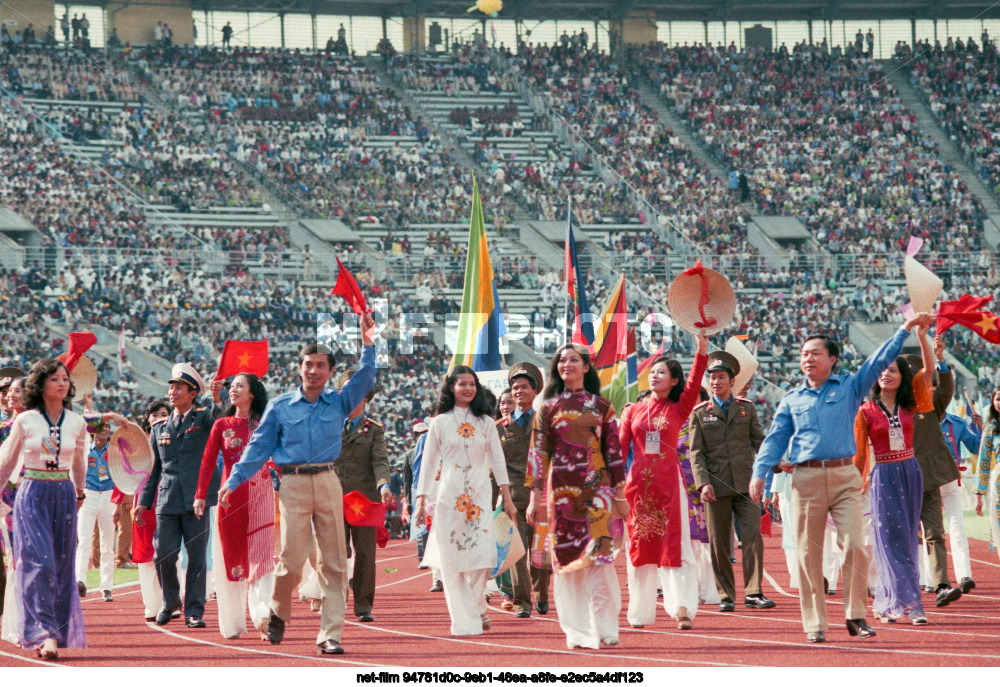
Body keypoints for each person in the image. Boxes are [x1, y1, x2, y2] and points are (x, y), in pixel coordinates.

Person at [750, 312, 931, 644]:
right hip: (806, 480)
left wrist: (904, 330)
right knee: (808, 554)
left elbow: (880, 360)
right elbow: (775, 439)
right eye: (804, 354)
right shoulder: (792, 399)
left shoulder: (850, 387)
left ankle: (856, 615)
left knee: (855, 547)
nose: (808, 359)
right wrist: (760, 472)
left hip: (846, 476)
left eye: (815, 353)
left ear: (832, 359)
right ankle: (815, 624)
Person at [219, 313, 377, 656]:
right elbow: (258, 447)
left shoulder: (339, 400)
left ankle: (330, 634)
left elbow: (366, 377)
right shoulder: (279, 406)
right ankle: (277, 611)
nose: (314, 370)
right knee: (291, 559)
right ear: (299, 368)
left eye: (321, 365)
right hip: (291, 485)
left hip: (327, 480)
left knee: (333, 561)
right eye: (308, 364)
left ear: (330, 371)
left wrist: (368, 344)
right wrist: (234, 479)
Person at [0, 358, 124, 659]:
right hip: (32, 492)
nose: (62, 383)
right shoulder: (25, 420)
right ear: (41, 384)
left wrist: (80, 490)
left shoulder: (76, 422)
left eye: (65, 379)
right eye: (55, 379)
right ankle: (44, 634)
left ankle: (53, 630)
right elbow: (6, 463)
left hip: (64, 494)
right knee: (39, 562)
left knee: (60, 565)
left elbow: (79, 461)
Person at [526, 344, 627, 650]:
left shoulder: (603, 407)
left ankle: (607, 627)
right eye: (562, 360)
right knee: (567, 563)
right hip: (560, 496)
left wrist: (620, 496)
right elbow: (537, 454)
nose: (566, 364)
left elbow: (614, 454)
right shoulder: (546, 408)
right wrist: (534, 498)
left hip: (596, 493)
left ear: (586, 367)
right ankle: (578, 632)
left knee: (599, 560)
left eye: (573, 360)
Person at [414, 366, 517, 636]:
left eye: (472, 384)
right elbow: (428, 464)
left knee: (483, 556)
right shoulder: (439, 422)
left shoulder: (485, 422)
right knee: (452, 559)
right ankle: (466, 617)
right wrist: (421, 499)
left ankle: (476, 603)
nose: (468, 388)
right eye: (462, 384)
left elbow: (497, 459)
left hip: (480, 496)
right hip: (449, 496)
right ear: (451, 387)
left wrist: (506, 496)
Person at [619, 334, 708, 631]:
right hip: (638, 491)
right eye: (652, 372)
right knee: (640, 549)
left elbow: (695, 383)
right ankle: (640, 613)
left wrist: (701, 350)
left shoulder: (679, 408)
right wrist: (614, 486)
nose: (655, 376)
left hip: (670, 488)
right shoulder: (632, 410)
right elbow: (618, 450)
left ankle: (682, 608)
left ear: (673, 381)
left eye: (662, 373)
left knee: (676, 547)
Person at [853, 322, 934, 625]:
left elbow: (927, 374)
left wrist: (923, 339)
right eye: (883, 370)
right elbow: (860, 453)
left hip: (910, 472)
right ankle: (910, 604)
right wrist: (856, 484)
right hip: (882, 475)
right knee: (887, 540)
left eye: (894, 371)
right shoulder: (865, 411)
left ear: (902, 378)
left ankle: (898, 601)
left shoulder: (911, 405)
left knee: (908, 538)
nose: (886, 374)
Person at [136, 363, 221, 629]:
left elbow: (220, 418)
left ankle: (194, 611)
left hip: (197, 499)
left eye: (179, 387)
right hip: (167, 499)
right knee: (164, 554)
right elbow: (154, 470)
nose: (172, 392)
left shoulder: (204, 419)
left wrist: (217, 398)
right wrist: (143, 503)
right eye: (171, 387)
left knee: (196, 558)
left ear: (192, 393)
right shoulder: (160, 427)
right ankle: (170, 601)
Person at [194, 373, 275, 640]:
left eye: (240, 385)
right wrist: (200, 495)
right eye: (232, 386)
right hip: (229, 500)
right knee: (230, 559)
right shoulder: (221, 425)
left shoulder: (266, 423)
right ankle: (232, 623)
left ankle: (263, 617)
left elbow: (280, 456)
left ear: (252, 393)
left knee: (262, 559)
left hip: (262, 496)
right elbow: (206, 463)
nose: (233, 390)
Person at [689, 350, 771, 613]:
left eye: (721, 377)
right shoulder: (700, 414)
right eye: (712, 378)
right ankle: (726, 594)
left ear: (732, 381)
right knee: (719, 544)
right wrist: (703, 483)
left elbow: (760, 441)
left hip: (746, 486)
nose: (716, 382)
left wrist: (776, 462)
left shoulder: (747, 409)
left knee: (752, 538)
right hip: (716, 488)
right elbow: (696, 453)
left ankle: (753, 592)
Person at [901, 338, 964, 608]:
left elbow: (946, 389)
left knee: (935, 533)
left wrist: (939, 360)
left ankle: (941, 585)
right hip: (898, 480)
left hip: (927, 480)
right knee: (903, 535)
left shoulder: (930, 405)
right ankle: (902, 585)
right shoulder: (890, 407)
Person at [332, 369, 391, 624]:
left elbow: (380, 461)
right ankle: (336, 599)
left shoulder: (374, 430)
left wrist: (384, 486)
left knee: (365, 553)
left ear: (365, 398)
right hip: (333, 497)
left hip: (364, 501)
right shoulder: (330, 424)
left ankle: (364, 605)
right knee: (335, 552)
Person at [492, 363, 543, 619]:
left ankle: (541, 591)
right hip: (513, 498)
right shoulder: (500, 427)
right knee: (519, 551)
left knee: (541, 552)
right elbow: (493, 466)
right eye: (515, 388)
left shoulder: (545, 421)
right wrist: (491, 502)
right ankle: (523, 602)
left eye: (524, 387)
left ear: (535, 391)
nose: (519, 391)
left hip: (542, 496)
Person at [133, 400, 171, 622]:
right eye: (154, 414)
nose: (158, 417)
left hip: (168, 501)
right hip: (144, 504)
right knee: (146, 554)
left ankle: (170, 601)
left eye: (164, 414)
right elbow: (126, 475)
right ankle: (152, 605)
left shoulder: (175, 442)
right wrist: (125, 503)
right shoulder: (138, 445)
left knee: (168, 552)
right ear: (147, 419)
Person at [940, 407, 982, 592]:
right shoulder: (920, 419)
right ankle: (931, 578)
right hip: (926, 481)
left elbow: (976, 448)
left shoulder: (957, 423)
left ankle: (964, 575)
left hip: (951, 479)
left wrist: (981, 430)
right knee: (928, 531)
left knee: (957, 525)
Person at [75, 420, 117, 603]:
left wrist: (118, 502)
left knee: (107, 544)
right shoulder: (86, 450)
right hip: (89, 495)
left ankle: (107, 586)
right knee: (84, 540)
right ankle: (80, 581)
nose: (105, 431)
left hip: (109, 495)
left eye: (107, 428)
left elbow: (121, 474)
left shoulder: (114, 451)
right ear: (93, 432)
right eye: (101, 428)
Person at [975, 388, 1000, 564]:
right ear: (992, 402)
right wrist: (979, 494)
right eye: (998, 399)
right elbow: (983, 461)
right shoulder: (990, 428)